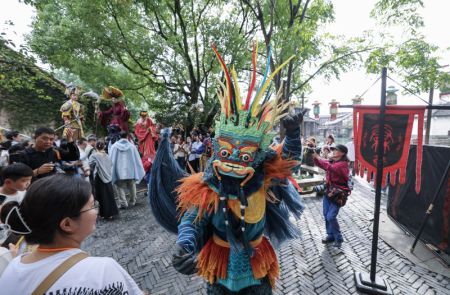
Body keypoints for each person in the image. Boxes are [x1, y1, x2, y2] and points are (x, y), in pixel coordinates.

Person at [0, 175, 144, 294]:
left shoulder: (12, 268)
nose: (96, 210)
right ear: (67, 224)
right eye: (92, 205)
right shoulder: (101, 271)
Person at [312, 144, 350, 248]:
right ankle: (330, 236)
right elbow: (322, 164)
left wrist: (318, 157)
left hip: (338, 194)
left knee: (331, 216)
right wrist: (314, 157)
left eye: (336, 150)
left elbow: (330, 167)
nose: (333, 151)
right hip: (328, 191)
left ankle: (339, 237)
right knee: (326, 214)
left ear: (342, 153)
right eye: (333, 149)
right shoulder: (332, 160)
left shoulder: (343, 164)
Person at [109, 131, 145, 208]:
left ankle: (123, 204)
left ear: (119, 136)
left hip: (119, 171)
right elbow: (137, 159)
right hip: (131, 170)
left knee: (119, 187)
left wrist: (112, 170)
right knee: (132, 186)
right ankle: (132, 201)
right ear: (127, 136)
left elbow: (111, 159)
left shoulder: (114, 146)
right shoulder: (132, 146)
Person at [89, 141, 119, 219]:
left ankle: (105, 213)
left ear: (96, 147)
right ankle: (111, 212)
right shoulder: (107, 155)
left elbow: (90, 165)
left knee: (102, 196)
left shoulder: (94, 156)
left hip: (99, 178)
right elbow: (111, 165)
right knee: (109, 195)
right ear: (104, 146)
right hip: (108, 177)